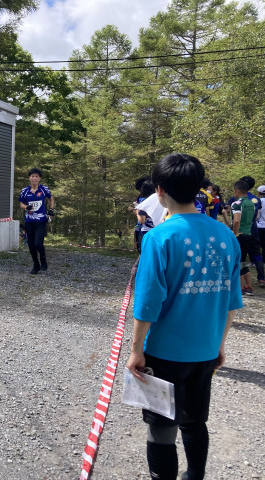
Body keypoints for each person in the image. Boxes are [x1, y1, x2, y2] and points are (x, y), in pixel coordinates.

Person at [126, 153, 242, 480]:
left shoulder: (158, 237)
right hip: (206, 350)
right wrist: (220, 346)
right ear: (198, 188)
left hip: (164, 352)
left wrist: (136, 351)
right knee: (194, 421)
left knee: (162, 427)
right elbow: (231, 301)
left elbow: (147, 303)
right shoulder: (226, 236)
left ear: (159, 190)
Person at [19, 168, 54, 274]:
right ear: (29, 178)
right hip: (29, 221)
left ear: (39, 178)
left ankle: (43, 259)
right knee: (31, 245)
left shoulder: (44, 189)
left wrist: (51, 210)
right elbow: (21, 204)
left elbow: (51, 198)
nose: (34, 178)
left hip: (41, 220)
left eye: (36, 176)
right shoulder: (25, 191)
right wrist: (26, 207)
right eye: (32, 176)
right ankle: (36, 265)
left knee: (38, 244)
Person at [231, 179, 258, 295]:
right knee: (243, 261)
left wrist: (234, 233)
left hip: (239, 235)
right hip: (249, 233)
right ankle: (249, 287)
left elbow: (236, 220)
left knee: (237, 261)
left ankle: (241, 288)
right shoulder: (251, 203)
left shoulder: (236, 204)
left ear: (237, 191)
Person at [136, 180, 156, 253]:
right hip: (157, 230)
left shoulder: (144, 201)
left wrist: (137, 211)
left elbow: (142, 220)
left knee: (144, 254)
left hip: (146, 231)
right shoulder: (159, 200)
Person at [257, 185, 265, 261]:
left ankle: (258, 261)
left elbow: (257, 215)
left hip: (259, 226)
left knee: (257, 245)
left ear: (259, 193)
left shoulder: (258, 201)